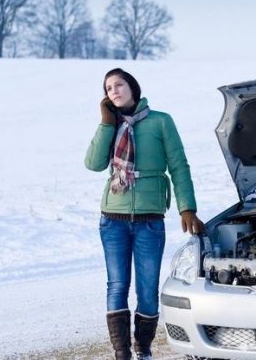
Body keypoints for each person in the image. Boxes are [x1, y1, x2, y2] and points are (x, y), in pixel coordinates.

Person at [85, 68, 204, 360]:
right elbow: (93, 164)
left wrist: (187, 207)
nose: (114, 90)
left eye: (119, 84)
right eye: (108, 88)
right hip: (113, 217)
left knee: (148, 288)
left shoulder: (161, 121)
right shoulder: (111, 124)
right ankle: (122, 352)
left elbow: (179, 165)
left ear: (132, 87)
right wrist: (105, 124)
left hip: (150, 219)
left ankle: (144, 349)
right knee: (117, 285)